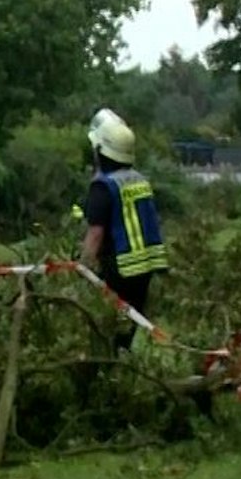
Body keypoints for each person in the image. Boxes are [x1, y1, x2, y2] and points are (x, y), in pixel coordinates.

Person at [79, 108, 168, 347]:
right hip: (144, 269)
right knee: (128, 327)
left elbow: (95, 234)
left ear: (99, 150)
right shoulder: (139, 179)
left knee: (104, 331)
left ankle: (108, 373)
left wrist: (81, 269)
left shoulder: (103, 187)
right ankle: (120, 370)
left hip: (118, 270)